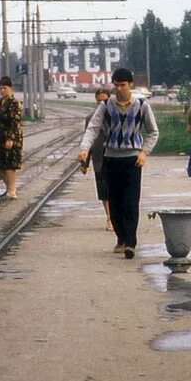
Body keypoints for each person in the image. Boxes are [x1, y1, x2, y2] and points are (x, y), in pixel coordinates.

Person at [78, 68, 159, 259]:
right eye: (116, 85)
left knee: (130, 201)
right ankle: (121, 238)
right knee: (114, 202)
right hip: (111, 158)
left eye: (123, 85)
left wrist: (144, 152)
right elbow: (93, 128)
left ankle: (130, 242)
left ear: (131, 84)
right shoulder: (106, 106)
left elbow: (153, 131)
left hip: (132, 159)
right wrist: (84, 148)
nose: (120, 89)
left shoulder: (142, 105)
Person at [81, 87, 113, 231]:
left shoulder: (116, 115)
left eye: (104, 100)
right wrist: (85, 163)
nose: (101, 104)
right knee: (104, 190)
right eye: (99, 101)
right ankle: (109, 218)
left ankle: (116, 216)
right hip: (99, 157)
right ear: (95, 101)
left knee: (116, 188)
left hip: (115, 155)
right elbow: (88, 140)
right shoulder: (91, 118)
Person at [0, 75, 24, 199]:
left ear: (11, 88)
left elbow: (15, 122)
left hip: (11, 138)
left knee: (10, 165)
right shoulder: (0, 102)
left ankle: (11, 190)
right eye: (0, 88)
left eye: (5, 88)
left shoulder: (14, 103)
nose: (2, 90)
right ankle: (11, 188)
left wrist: (10, 138)